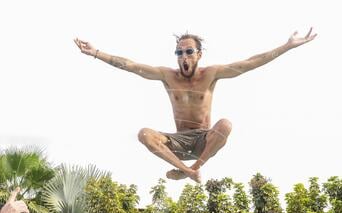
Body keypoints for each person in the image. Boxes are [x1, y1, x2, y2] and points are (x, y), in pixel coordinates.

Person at [74, 29, 317, 182]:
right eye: (179, 53)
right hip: (179, 142)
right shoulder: (166, 75)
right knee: (144, 134)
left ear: (199, 54)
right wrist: (97, 53)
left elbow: (250, 63)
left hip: (204, 141)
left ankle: (192, 169)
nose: (183, 57)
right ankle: (187, 171)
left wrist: (286, 46)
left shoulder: (212, 74)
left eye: (189, 51)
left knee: (226, 125)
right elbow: (131, 65)